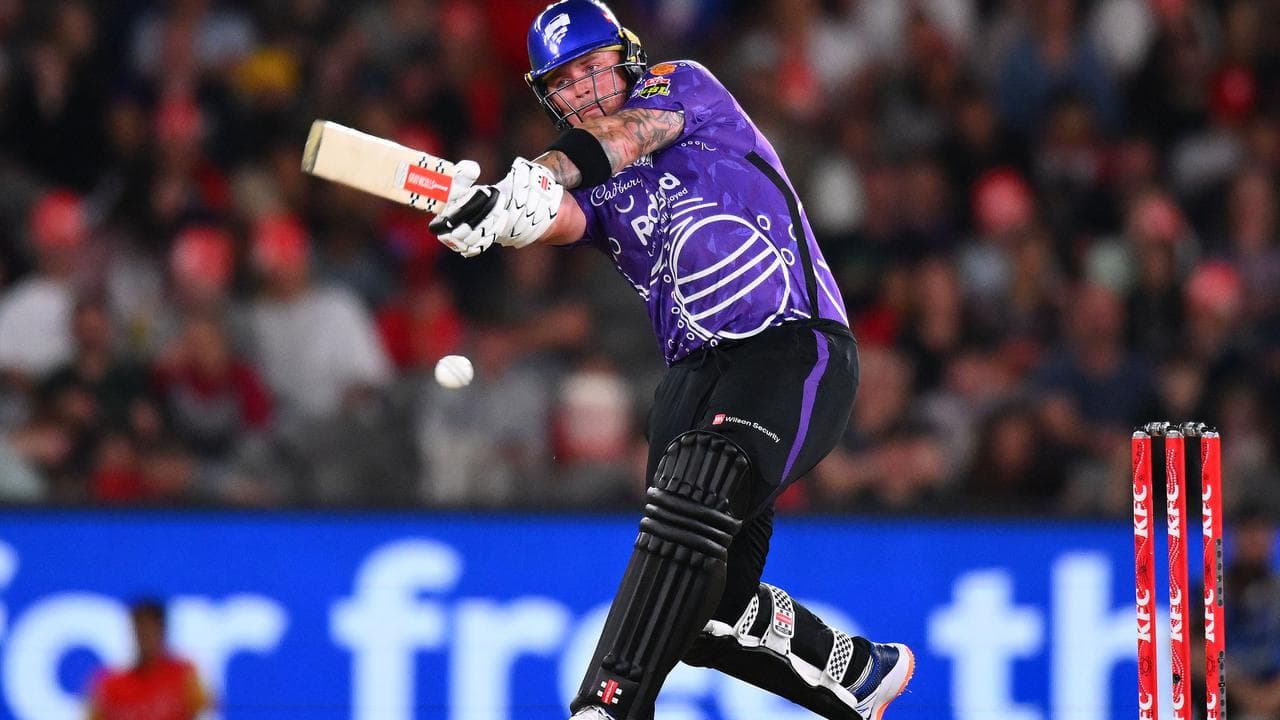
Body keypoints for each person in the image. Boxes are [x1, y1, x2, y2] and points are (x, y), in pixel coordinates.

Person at [429, 2, 914, 718]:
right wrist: (499, 214)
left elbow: (619, 140)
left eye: (592, 68)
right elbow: (558, 217)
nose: (582, 90)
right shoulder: (582, 176)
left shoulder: (681, 85)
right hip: (692, 376)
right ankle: (856, 670)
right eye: (562, 82)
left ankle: (606, 705)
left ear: (626, 58)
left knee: (698, 485)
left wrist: (537, 174)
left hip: (790, 346)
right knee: (704, 608)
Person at [85, 599, 210, 720]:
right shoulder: (110, 684)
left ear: (162, 629)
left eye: (151, 628)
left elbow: (207, 706)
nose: (145, 634)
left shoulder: (183, 675)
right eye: (140, 628)